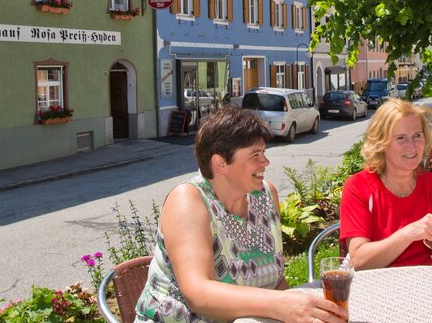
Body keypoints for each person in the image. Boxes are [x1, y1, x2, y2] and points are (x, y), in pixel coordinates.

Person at [135, 107, 347, 323]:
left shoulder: (265, 195)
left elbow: (275, 281)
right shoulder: (189, 199)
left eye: (264, 152)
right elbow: (197, 293)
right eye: (255, 154)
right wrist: (280, 305)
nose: (265, 162)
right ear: (220, 163)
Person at [339, 98, 432, 284]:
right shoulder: (358, 186)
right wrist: (409, 233)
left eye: (417, 136)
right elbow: (359, 260)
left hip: (422, 285)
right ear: (381, 143)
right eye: (401, 138)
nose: (412, 147)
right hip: (371, 286)